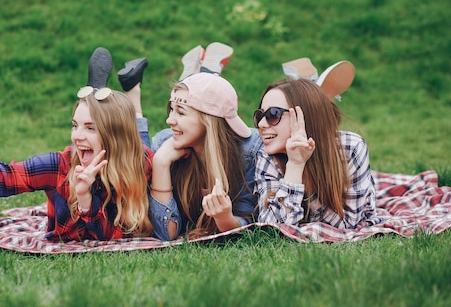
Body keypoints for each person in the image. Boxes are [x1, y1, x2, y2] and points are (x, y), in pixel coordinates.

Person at [0, 47, 154, 242]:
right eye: (74, 125)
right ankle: (104, 93)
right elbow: (0, 178)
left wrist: (86, 199)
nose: (77, 135)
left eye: (90, 127)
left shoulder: (143, 164)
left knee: (143, 136)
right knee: (101, 142)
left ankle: (132, 92)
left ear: (113, 134)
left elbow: (113, 235)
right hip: (115, 147)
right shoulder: (59, 166)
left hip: (126, 152)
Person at [117, 43, 262, 241]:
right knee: (138, 157)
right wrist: (160, 164)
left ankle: (206, 73)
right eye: (172, 110)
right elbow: (165, 234)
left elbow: (249, 224)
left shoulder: (248, 151)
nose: (169, 120)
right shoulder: (165, 144)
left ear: (208, 120)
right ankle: (137, 94)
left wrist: (224, 218)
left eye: (181, 112)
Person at [252, 78, 382, 229]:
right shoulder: (267, 157)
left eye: (273, 114)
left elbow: (348, 224)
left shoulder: (351, 148)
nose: (261, 124)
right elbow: (272, 228)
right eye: (260, 115)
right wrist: (295, 166)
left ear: (306, 117)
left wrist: (308, 183)